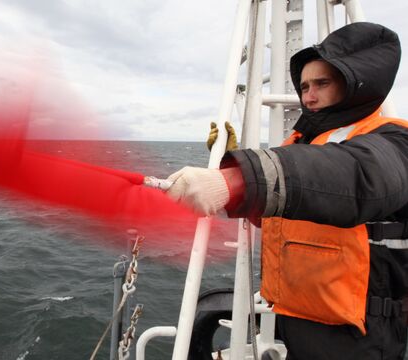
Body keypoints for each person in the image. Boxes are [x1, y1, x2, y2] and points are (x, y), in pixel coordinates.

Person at [166, 22, 408, 360]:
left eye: (322, 83)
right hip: (299, 318)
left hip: (357, 335)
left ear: (357, 82)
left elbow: (356, 178)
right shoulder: (301, 144)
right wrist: (226, 173)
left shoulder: (393, 142)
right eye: (305, 85)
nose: (308, 96)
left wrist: (239, 180)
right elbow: (279, 213)